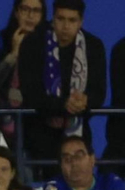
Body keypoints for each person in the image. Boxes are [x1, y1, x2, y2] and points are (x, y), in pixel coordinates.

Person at [16, 0, 105, 164]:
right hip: (39, 132)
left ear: (81, 21)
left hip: (79, 131)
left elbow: (99, 93)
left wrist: (85, 101)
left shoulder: (94, 46)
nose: (65, 26)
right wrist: (63, 104)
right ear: (52, 18)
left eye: (72, 20)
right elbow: (30, 93)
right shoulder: (33, 44)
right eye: (60, 19)